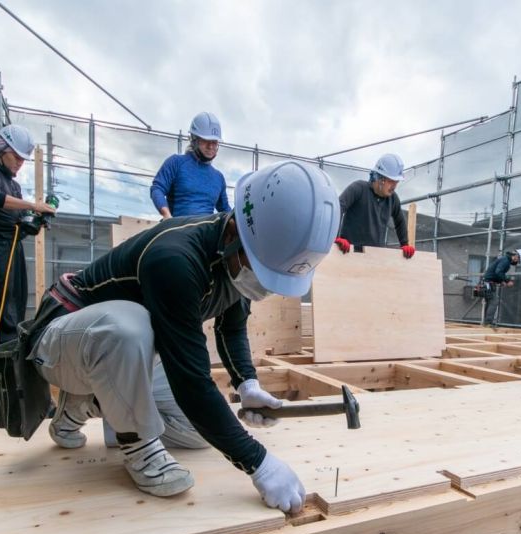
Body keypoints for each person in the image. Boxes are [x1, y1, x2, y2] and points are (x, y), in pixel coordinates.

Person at [26, 161, 340, 513]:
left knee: (196, 433)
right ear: (235, 230)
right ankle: (138, 447)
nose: (263, 287)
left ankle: (88, 403)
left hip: (119, 359)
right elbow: (191, 382)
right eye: (261, 272)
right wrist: (258, 462)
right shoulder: (175, 259)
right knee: (130, 325)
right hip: (62, 341)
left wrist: (247, 386)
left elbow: (231, 327)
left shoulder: (236, 259)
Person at [0, 124, 56, 348]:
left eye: (22, 159)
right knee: (1, 308)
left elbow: (18, 219)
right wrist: (34, 205)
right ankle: (0, 362)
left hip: (11, 247)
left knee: (16, 302)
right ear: (2, 150)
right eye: (16, 157)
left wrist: (33, 223)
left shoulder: (14, 186)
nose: (20, 163)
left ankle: (13, 355)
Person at [150, 112, 230, 219]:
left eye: (214, 142)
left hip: (207, 230)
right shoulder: (176, 162)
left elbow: (225, 209)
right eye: (206, 140)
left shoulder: (218, 177)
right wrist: (166, 215)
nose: (211, 146)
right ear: (194, 139)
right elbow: (157, 188)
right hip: (178, 228)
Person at [334, 153, 415, 259]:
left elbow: (400, 222)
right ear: (380, 178)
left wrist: (404, 244)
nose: (394, 186)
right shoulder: (358, 189)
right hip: (348, 253)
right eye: (391, 181)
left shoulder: (393, 199)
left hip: (375, 257)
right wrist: (334, 238)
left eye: (397, 182)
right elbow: (337, 208)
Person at [480, 248, 521, 326]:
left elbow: (496, 272)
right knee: (494, 301)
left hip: (487, 282)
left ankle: (486, 322)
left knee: (490, 302)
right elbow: (498, 271)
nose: (517, 262)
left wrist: (501, 281)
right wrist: (507, 281)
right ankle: (488, 322)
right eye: (518, 260)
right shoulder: (506, 261)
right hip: (488, 283)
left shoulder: (505, 260)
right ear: (516, 256)